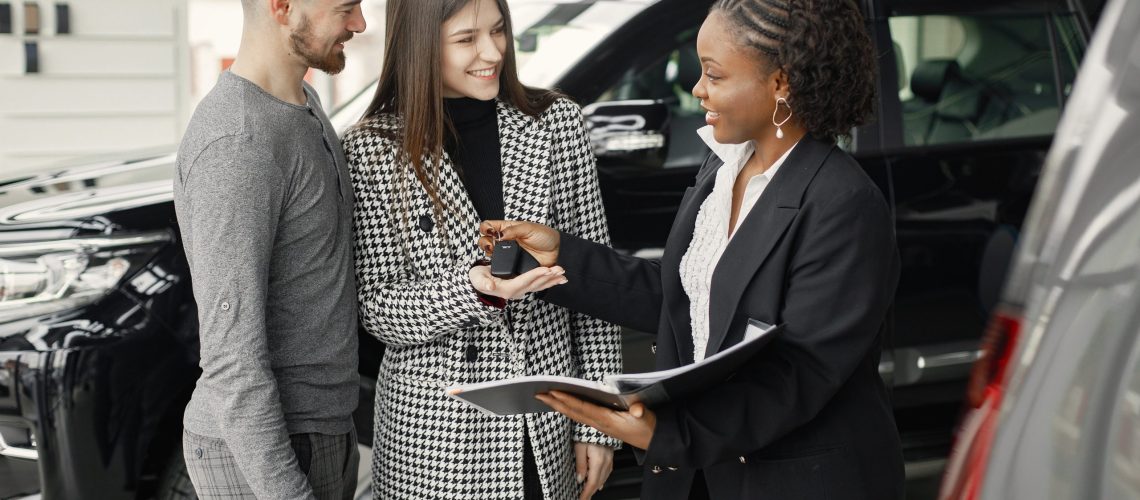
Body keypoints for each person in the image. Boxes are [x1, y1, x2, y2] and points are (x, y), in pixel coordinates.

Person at [473, 0, 905, 498]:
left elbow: (802, 371)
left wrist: (669, 433)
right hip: (698, 475)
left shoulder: (842, 202)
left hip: (791, 480)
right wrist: (559, 257)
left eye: (714, 75)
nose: (697, 89)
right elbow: (687, 296)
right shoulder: (724, 165)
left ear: (781, 83)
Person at [340, 0, 622, 498]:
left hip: (543, 422)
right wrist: (474, 289)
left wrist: (599, 422)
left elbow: (598, 290)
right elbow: (377, 308)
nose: (491, 52)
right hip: (431, 437)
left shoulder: (556, 124)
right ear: (422, 45)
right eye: (466, 39)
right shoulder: (372, 147)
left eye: (498, 31)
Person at [173, 0, 366, 498]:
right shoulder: (238, 143)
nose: (359, 24)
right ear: (282, 6)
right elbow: (231, 356)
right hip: (265, 447)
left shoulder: (300, 101)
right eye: (346, 7)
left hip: (323, 428)